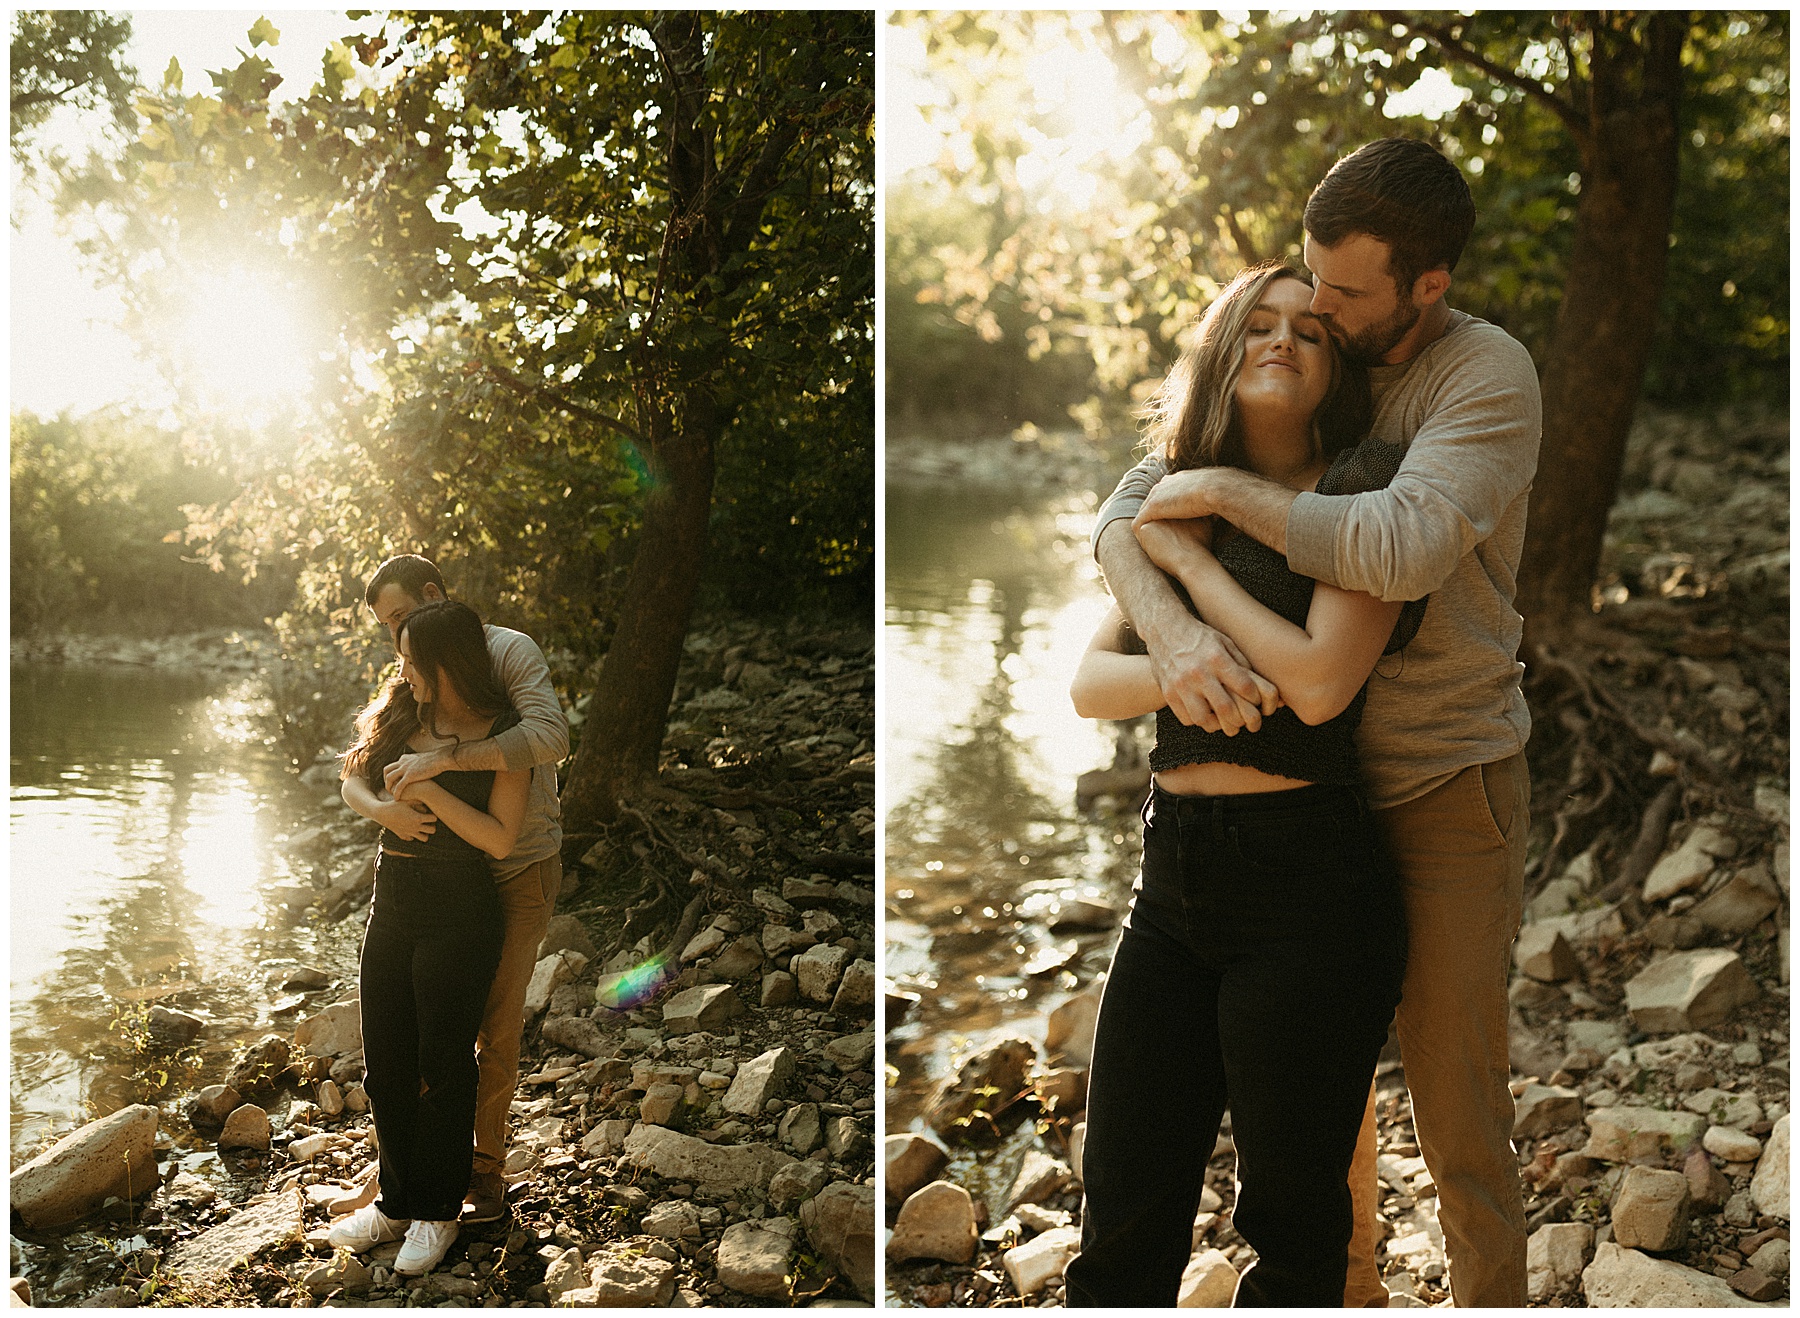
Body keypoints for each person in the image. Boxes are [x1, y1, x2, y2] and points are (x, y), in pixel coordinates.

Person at [1093, 138, 1542, 1306]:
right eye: (1306, 284)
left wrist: (1216, 506)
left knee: (1455, 1103)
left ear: (1426, 286)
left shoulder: (1477, 377)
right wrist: (1179, 637)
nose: (1319, 316)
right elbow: (1123, 511)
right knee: (1316, 1136)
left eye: (1343, 295)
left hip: (1441, 779)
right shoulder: (1302, 370)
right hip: (1296, 804)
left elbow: (1390, 543)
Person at [1066, 262, 1416, 1307]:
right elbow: (1089, 684)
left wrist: (1203, 583)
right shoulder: (1168, 491)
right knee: (1122, 1210)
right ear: (1222, 351)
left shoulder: (1361, 490)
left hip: (1312, 891)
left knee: (1293, 1225)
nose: (1281, 341)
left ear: (1335, 367)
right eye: (1256, 325)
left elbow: (1318, 685)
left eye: (1309, 332)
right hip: (1168, 885)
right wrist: (1189, 665)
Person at [341, 555, 570, 1225]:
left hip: (517, 864)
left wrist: (444, 762)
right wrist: (386, 806)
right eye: (388, 629)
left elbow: (550, 736)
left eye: (402, 619)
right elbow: (363, 765)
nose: (396, 642)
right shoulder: (417, 665)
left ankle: (486, 1175)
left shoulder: (505, 653)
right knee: (418, 1028)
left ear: (434, 597)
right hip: (443, 881)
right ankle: (407, 1174)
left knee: (493, 1029)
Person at [328, 600, 531, 1274]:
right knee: (386, 1060)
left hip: (459, 910)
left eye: (413, 659)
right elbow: (351, 778)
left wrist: (434, 786)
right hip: (395, 902)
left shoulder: (505, 733)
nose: (401, 668)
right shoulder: (403, 709)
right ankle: (395, 1201)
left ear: (449, 663)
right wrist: (387, 810)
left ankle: (439, 1213)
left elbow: (500, 838)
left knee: (443, 1064)